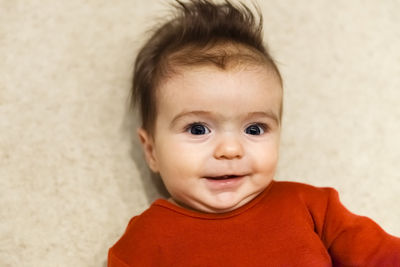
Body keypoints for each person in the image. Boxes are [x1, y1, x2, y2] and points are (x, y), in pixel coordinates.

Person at [108, 0, 400, 266]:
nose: (230, 149)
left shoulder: (311, 206)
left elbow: (384, 256)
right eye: (198, 129)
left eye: (254, 128)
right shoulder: (143, 242)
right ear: (151, 151)